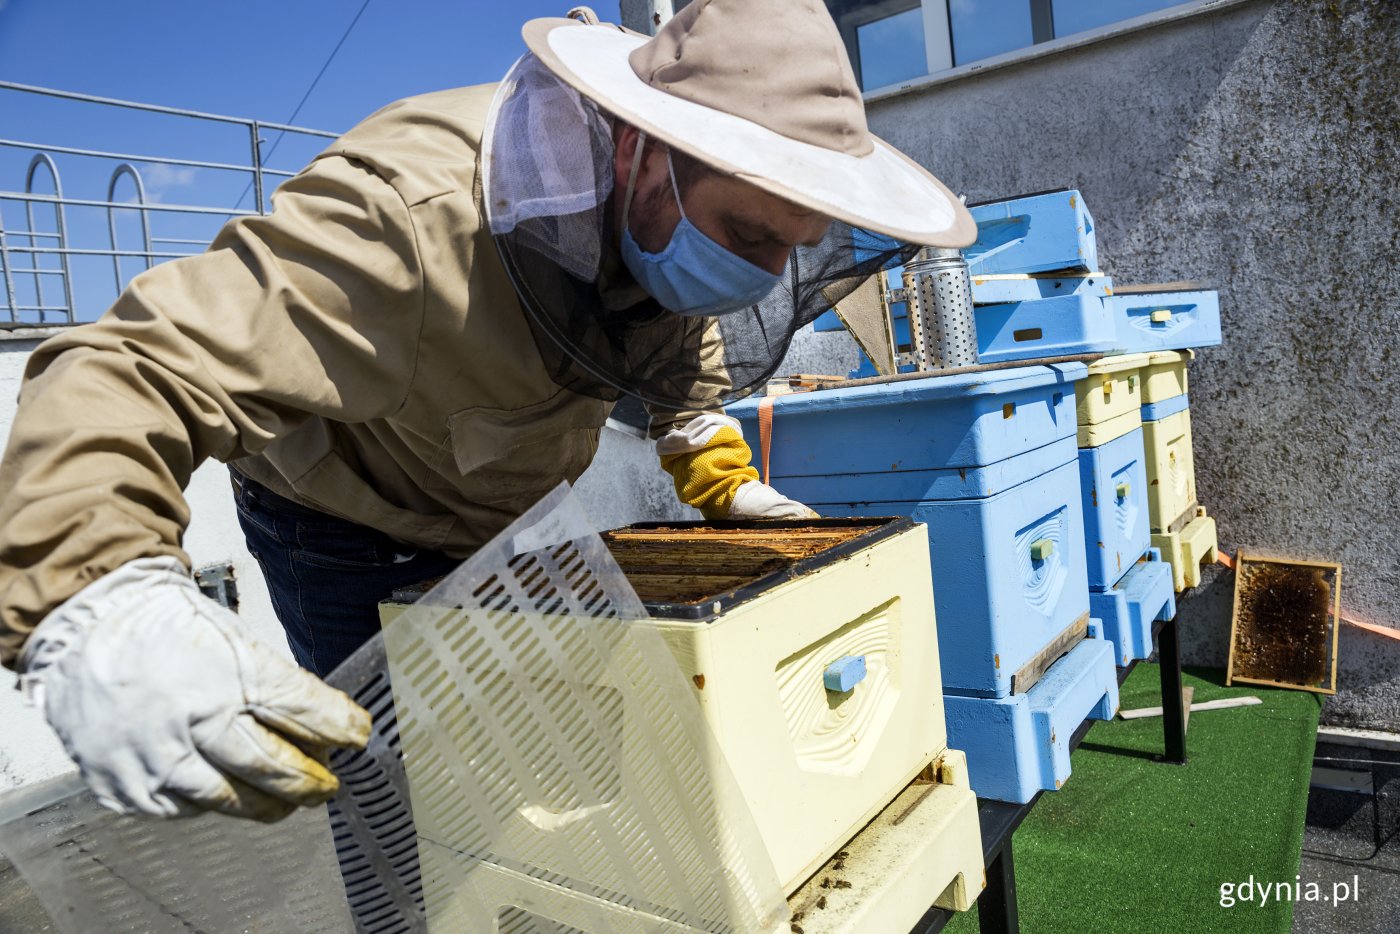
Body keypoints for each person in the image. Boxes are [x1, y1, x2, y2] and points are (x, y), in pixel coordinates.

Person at [0, 0, 974, 823]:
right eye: (747, 234)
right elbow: (128, 366)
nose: (755, 273)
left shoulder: (661, 221)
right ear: (641, 154)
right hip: (341, 522)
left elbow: (676, 334)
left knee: (536, 782)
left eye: (786, 247)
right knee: (401, 807)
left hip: (503, 514)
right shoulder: (406, 218)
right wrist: (97, 599)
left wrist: (714, 463)